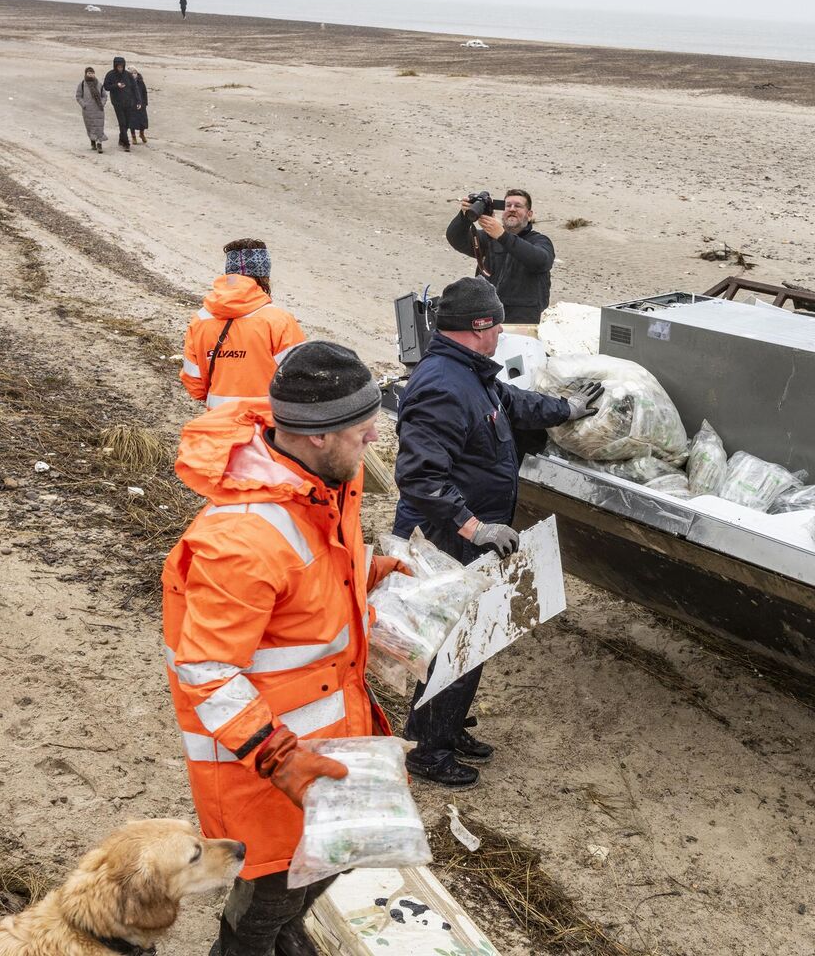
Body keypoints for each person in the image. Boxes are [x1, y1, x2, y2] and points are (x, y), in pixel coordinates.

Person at [163, 341, 410, 956]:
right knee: (270, 889)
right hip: (267, 766)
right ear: (318, 436)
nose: (375, 439)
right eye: (363, 428)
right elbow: (207, 671)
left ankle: (288, 937)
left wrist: (363, 572)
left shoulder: (325, 482)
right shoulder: (242, 538)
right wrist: (279, 759)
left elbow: (303, 583)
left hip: (331, 734)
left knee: (326, 867)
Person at [391, 277, 601, 787]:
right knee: (454, 643)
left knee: (473, 639)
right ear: (479, 326)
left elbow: (511, 402)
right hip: (445, 539)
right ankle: (426, 751)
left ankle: (448, 727)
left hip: (470, 533)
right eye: (497, 321)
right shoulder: (442, 385)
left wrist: (566, 410)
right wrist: (474, 526)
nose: (503, 329)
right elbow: (419, 477)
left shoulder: (469, 373)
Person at [181, 239, 308, 407]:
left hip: (219, 422)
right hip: (265, 426)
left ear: (229, 274)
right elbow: (300, 380)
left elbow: (195, 384)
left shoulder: (201, 320)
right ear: (265, 276)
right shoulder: (279, 320)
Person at [445, 189, 555, 324]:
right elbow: (456, 238)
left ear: (529, 214)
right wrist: (464, 217)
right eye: (508, 206)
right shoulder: (489, 238)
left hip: (524, 322)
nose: (512, 209)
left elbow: (540, 261)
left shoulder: (540, 241)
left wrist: (502, 236)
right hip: (489, 318)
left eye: (518, 206)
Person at [102, 56, 135, 151]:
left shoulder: (128, 75)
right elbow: (106, 87)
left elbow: (134, 87)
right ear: (115, 66)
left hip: (128, 102)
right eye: (118, 66)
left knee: (127, 123)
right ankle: (126, 143)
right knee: (122, 123)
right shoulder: (110, 74)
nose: (120, 68)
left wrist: (138, 100)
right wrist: (116, 85)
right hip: (117, 103)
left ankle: (121, 138)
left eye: (122, 66)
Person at [74, 66, 107, 153]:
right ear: (86, 74)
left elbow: (104, 95)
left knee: (99, 127)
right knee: (90, 127)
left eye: (92, 73)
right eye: (89, 73)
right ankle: (93, 142)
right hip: (87, 110)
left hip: (99, 109)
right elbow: (78, 96)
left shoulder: (99, 84)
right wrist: (84, 105)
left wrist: (102, 103)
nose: (91, 75)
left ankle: (99, 144)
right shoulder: (82, 84)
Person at [127, 64, 150, 145]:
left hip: (142, 104)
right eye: (131, 73)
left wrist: (145, 103)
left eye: (135, 72)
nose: (133, 74)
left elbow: (144, 92)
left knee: (143, 121)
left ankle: (141, 133)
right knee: (132, 122)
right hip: (131, 105)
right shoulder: (127, 83)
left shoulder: (141, 82)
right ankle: (133, 136)